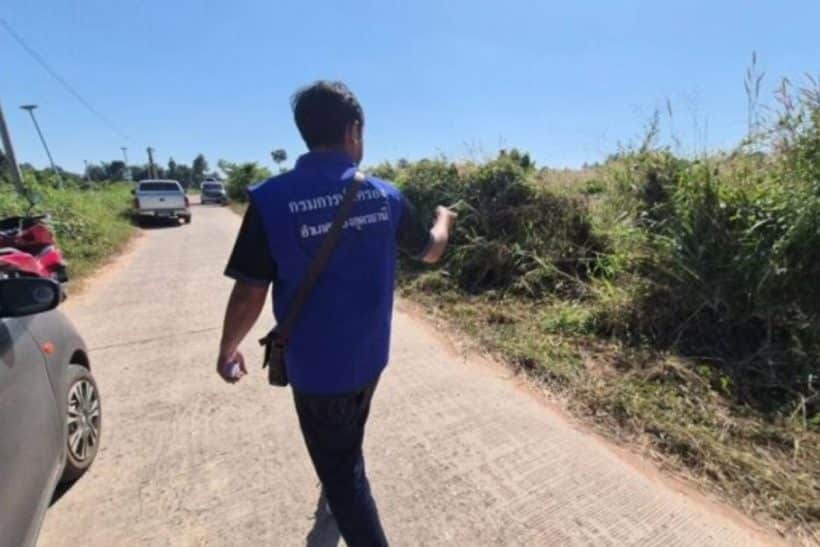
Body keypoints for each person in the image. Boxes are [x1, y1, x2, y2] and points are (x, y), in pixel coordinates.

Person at [216, 80, 457, 546]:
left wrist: (228, 348)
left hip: (317, 373)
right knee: (345, 449)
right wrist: (443, 220)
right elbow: (430, 251)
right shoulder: (385, 196)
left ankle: (338, 483)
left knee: (345, 478)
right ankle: (338, 476)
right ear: (353, 130)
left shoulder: (270, 200)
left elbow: (249, 291)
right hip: (370, 359)